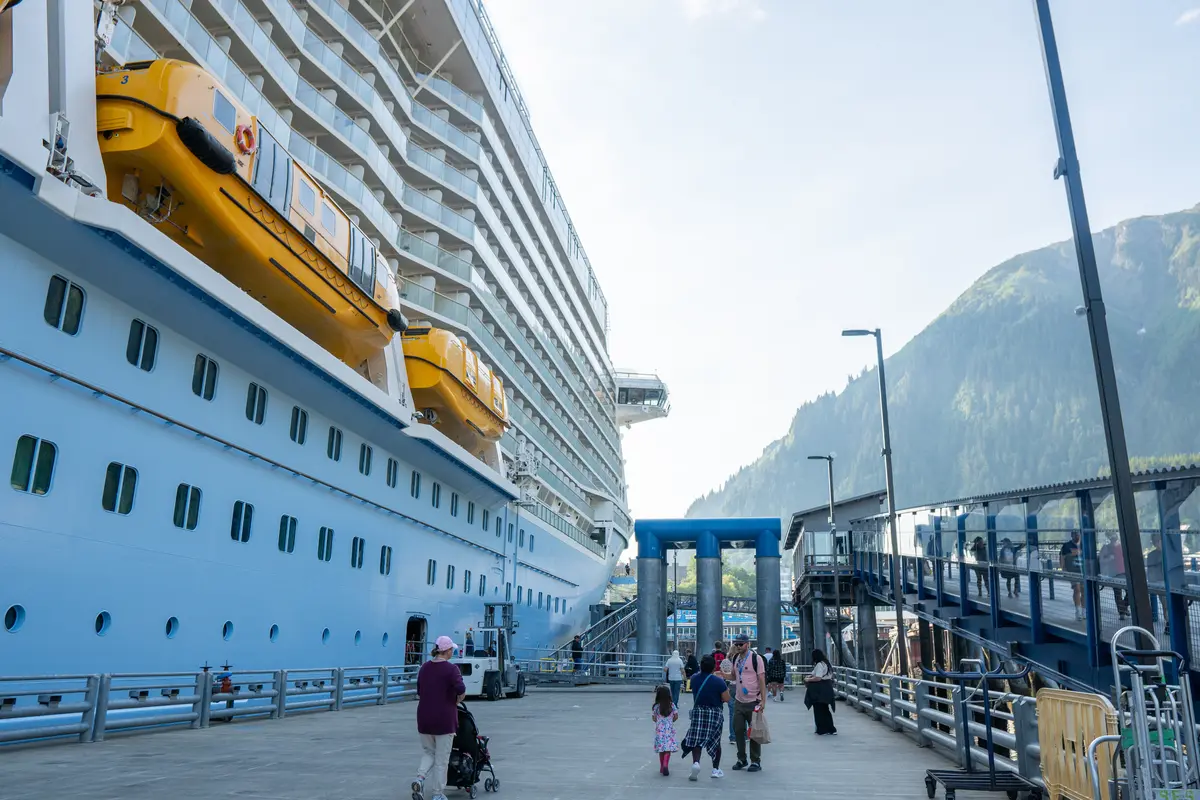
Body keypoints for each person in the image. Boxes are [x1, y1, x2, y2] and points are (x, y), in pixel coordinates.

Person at [412, 635, 466, 800]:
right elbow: (461, 689)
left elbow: (420, 691)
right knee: (442, 759)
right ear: (447, 651)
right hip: (444, 720)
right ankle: (437, 794)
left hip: (424, 718)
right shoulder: (452, 669)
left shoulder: (424, 668)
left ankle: (420, 778)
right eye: (452, 650)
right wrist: (458, 699)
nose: (452, 653)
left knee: (429, 752)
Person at [721, 632, 767, 772]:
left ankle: (755, 761)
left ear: (748, 644)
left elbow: (761, 680)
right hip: (739, 701)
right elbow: (733, 676)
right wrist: (722, 675)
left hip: (754, 701)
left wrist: (763, 700)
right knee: (738, 730)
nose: (738, 646)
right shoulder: (736, 658)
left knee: (754, 732)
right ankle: (741, 758)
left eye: (741, 644)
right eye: (736, 644)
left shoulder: (756, 658)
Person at [680, 654, 730, 781]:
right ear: (713, 667)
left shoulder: (694, 678)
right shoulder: (719, 681)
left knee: (697, 739)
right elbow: (726, 698)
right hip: (714, 713)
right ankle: (715, 769)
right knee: (715, 740)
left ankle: (696, 763)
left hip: (698, 712)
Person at [804, 648, 837, 735]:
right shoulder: (826, 663)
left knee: (818, 709)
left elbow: (818, 678)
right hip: (827, 687)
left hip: (819, 689)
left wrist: (808, 679)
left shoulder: (819, 664)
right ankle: (831, 729)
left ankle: (822, 729)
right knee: (825, 709)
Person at [1099, 530, 1128, 619]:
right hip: (1113, 573)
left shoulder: (1122, 546)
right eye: (1111, 536)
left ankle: (1123, 607)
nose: (1114, 537)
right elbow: (1101, 560)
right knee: (1117, 593)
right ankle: (1122, 612)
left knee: (1130, 592)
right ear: (1109, 538)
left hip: (1124, 572)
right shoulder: (1106, 547)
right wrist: (1109, 558)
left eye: (1114, 535)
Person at [651, 684, 679, 776]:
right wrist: (671, 721)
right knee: (668, 749)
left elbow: (654, 718)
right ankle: (665, 764)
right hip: (669, 730)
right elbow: (676, 716)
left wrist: (659, 721)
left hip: (660, 730)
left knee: (661, 749)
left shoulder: (656, 706)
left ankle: (661, 766)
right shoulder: (672, 705)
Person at [1060, 530, 1084, 621]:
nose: (1077, 536)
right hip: (1072, 571)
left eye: (1078, 535)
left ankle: (1084, 610)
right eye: (1075, 535)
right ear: (1072, 536)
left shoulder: (1084, 545)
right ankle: (1078, 611)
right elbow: (1062, 557)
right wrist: (1063, 569)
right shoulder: (1066, 546)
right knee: (1077, 589)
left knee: (1084, 590)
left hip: (1083, 571)